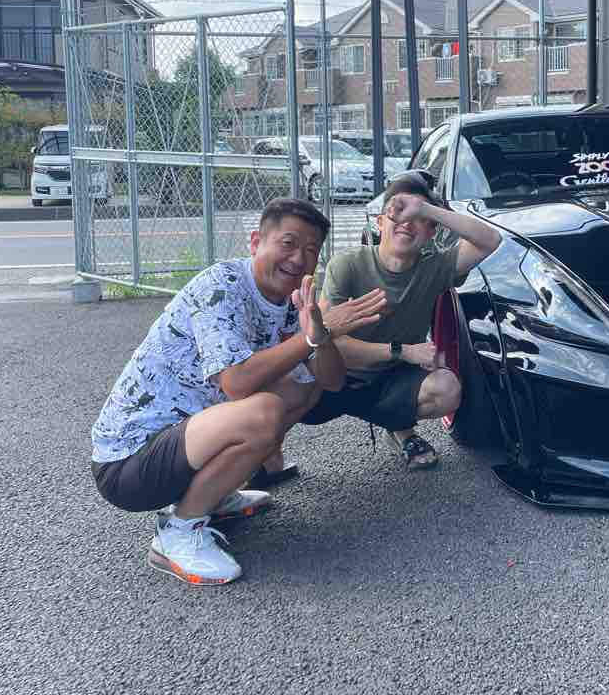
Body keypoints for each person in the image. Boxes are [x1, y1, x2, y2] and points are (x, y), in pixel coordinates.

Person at [89, 198, 387, 586]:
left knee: (305, 386)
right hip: (129, 464)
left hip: (186, 443)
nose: (299, 258)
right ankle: (178, 532)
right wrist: (315, 334)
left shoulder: (292, 300)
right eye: (288, 243)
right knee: (263, 412)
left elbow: (330, 381)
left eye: (311, 250)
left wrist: (321, 335)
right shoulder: (222, 286)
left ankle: (214, 493)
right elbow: (237, 382)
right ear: (255, 242)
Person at [305, 172, 501, 469]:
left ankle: (399, 428)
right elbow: (332, 344)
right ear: (380, 223)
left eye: (417, 218)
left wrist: (425, 208)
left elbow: (490, 240)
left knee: (447, 389)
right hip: (338, 377)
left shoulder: (434, 268)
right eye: (397, 211)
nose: (406, 222)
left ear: (430, 232)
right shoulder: (347, 265)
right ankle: (266, 456)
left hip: (390, 379)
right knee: (287, 390)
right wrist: (404, 351)